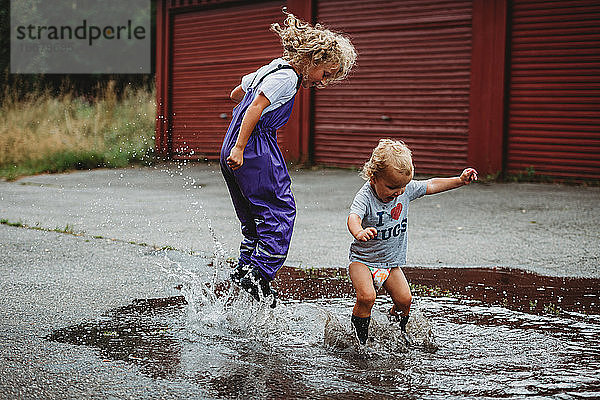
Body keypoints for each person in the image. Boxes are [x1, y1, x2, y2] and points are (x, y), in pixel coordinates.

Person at [220, 9, 357, 308]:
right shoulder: (287, 78)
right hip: (254, 146)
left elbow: (237, 94)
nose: (322, 82)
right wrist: (242, 147)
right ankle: (258, 277)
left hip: (232, 142)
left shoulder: (272, 68)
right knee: (280, 210)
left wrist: (234, 143)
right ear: (313, 60)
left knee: (255, 216)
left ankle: (246, 267)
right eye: (325, 74)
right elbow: (255, 106)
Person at [347, 138, 478, 344]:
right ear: (373, 178)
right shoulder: (365, 196)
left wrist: (459, 180)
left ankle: (393, 332)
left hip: (390, 263)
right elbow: (353, 216)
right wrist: (359, 231)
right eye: (392, 187)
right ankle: (359, 342)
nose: (398, 192)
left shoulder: (403, 189)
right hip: (362, 260)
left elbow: (431, 184)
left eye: (402, 187)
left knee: (404, 301)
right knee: (367, 297)